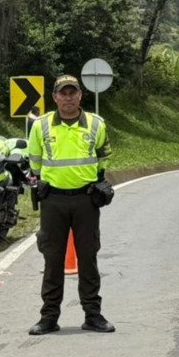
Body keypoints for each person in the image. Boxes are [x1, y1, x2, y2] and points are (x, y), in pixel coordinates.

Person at [26, 75, 114, 336]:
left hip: (86, 200)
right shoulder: (41, 126)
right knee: (53, 259)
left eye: (72, 93)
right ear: (54, 97)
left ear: (80, 96)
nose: (68, 97)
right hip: (53, 201)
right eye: (63, 93)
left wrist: (99, 182)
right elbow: (34, 160)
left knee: (88, 256)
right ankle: (49, 317)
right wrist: (38, 181)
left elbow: (104, 155)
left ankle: (93, 315)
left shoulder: (96, 124)